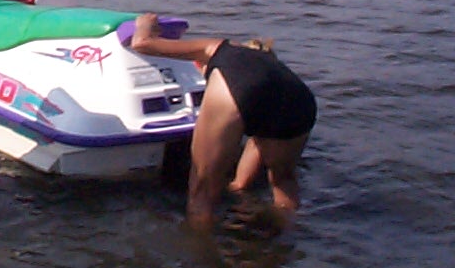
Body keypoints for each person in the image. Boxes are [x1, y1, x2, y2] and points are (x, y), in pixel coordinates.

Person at [130, 14, 316, 228]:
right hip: (299, 97)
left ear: (199, 65)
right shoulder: (269, 66)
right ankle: (287, 238)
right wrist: (238, 187)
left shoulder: (217, 48)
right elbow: (259, 137)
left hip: (238, 88)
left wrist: (145, 24)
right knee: (283, 180)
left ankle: (201, 253)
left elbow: (142, 44)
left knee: (202, 190)